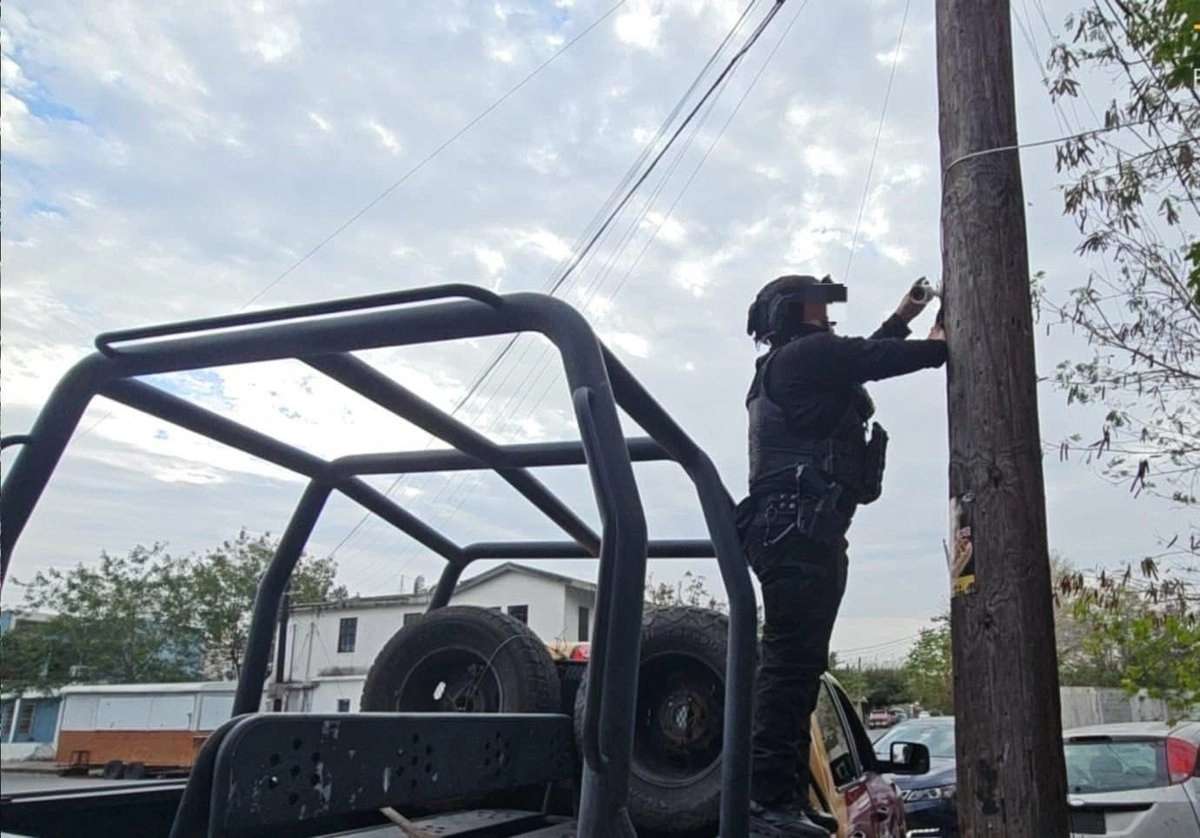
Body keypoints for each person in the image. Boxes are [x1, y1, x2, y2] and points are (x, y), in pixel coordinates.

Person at [739, 274, 947, 837]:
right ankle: (766, 802)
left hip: (801, 528)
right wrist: (937, 343)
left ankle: (782, 798)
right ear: (791, 312)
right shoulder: (805, 356)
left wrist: (903, 318)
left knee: (800, 668)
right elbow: (870, 358)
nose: (826, 311)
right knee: (789, 668)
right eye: (817, 303)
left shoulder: (795, 362)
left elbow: (859, 357)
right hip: (796, 528)